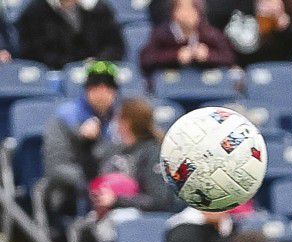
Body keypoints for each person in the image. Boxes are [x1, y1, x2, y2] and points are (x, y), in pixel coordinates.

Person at [42, 62, 121, 220]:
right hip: (71, 191)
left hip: (113, 189)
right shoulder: (65, 118)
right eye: (96, 86)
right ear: (87, 89)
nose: (102, 92)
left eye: (108, 86)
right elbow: (56, 167)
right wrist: (94, 183)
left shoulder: (120, 119)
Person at [139, 0, 237, 76]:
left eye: (191, 9)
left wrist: (208, 55)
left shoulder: (210, 34)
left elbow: (229, 58)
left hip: (204, 85)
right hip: (170, 84)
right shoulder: (162, 33)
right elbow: (147, 59)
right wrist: (176, 55)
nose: (187, 14)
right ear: (174, 13)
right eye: (183, 9)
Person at [17, 0, 125, 69]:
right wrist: (75, 65)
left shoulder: (99, 9)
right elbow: (33, 52)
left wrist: (98, 62)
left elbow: (115, 45)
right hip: (55, 71)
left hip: (99, 70)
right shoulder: (35, 11)